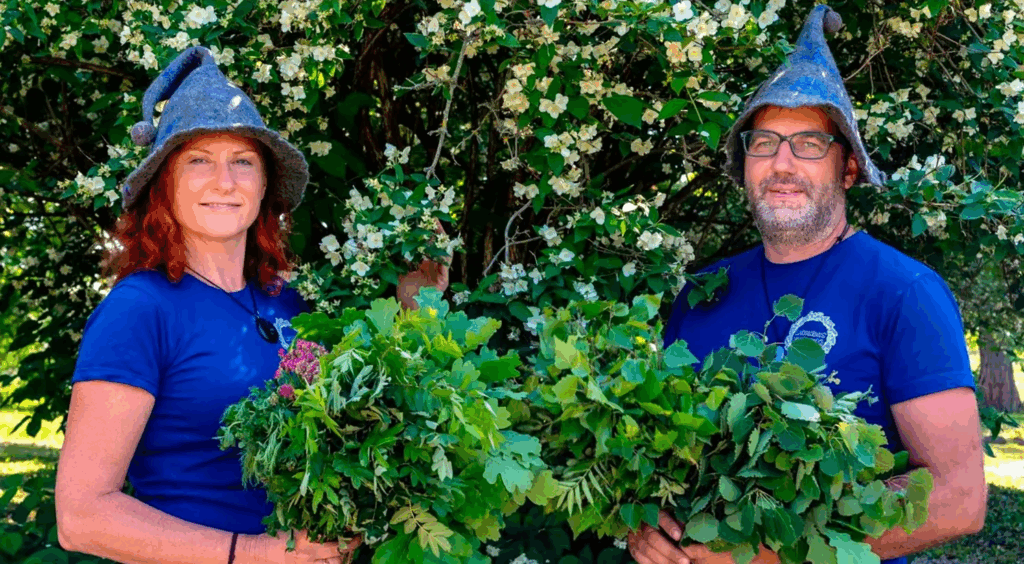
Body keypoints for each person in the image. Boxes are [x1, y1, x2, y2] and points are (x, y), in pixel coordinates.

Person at [55, 47, 447, 564]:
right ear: (163, 185)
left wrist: (415, 311)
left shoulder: (290, 302)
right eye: (198, 160)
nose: (224, 181)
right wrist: (261, 553)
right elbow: (82, 517)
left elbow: (360, 431)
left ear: (264, 186)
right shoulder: (140, 310)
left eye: (243, 161)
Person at [627, 6, 986, 564]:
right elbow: (667, 462)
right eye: (764, 143)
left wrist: (758, 554)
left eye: (810, 144)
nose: (782, 164)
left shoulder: (904, 293)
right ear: (743, 163)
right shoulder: (702, 293)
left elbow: (957, 498)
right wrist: (648, 525)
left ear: (847, 169)